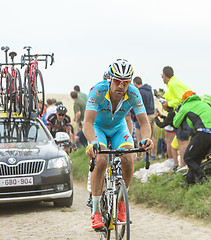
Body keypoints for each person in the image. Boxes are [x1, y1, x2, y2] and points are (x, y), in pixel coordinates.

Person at [83, 59, 153, 231]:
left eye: (126, 82)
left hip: (117, 128)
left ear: (129, 82)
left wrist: (146, 139)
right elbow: (88, 123)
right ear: (110, 79)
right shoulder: (97, 90)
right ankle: (96, 211)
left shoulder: (134, 94)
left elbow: (144, 123)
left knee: (129, 158)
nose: (121, 86)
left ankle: (121, 203)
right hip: (97, 127)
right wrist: (93, 142)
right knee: (101, 160)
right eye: (117, 81)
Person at [173, 90, 211, 184]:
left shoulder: (185, 106)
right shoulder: (202, 104)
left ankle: (203, 179)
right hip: (208, 133)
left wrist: (178, 112)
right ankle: (189, 182)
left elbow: (175, 123)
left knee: (188, 158)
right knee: (196, 159)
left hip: (202, 132)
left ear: (184, 100)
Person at [160, 66, 192, 168]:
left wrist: (168, 104)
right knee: (179, 141)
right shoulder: (173, 83)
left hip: (185, 115)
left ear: (165, 75)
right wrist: (164, 99)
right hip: (183, 114)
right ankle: (181, 165)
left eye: (162, 76)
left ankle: (183, 166)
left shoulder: (173, 84)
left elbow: (180, 100)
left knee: (182, 141)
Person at [133, 76, 156, 159]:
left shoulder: (140, 92)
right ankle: (153, 155)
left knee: (140, 136)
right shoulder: (149, 90)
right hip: (152, 114)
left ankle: (142, 155)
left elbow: (139, 106)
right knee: (151, 136)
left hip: (144, 116)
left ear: (135, 83)